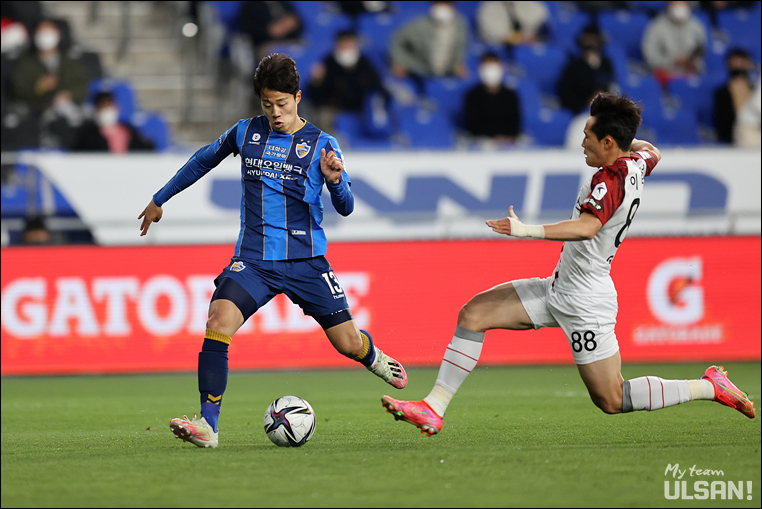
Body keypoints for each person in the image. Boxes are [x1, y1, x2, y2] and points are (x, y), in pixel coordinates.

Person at [381, 92, 756, 436]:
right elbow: (651, 149)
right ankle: (433, 407)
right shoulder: (636, 162)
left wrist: (525, 230)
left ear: (607, 143)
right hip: (559, 287)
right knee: (473, 314)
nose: (582, 143)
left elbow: (587, 227)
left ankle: (709, 387)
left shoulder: (611, 179)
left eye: (588, 136)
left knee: (612, 398)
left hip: (585, 300)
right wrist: (625, 137)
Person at [138, 53, 408, 449]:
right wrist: (160, 198)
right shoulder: (245, 132)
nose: (275, 113)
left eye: (282, 104)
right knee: (218, 319)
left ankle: (374, 357)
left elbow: (346, 207)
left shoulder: (322, 144)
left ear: (297, 97)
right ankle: (208, 426)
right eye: (267, 104)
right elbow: (201, 161)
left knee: (348, 344)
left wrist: (335, 181)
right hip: (255, 261)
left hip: (306, 262)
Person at [9, 18, 89, 148]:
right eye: (41, 31)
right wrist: (39, 88)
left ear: (58, 34)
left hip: (66, 118)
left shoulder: (71, 64)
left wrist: (69, 95)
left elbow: (82, 87)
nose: (45, 36)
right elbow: (18, 90)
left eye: (49, 31)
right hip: (35, 118)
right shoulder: (26, 64)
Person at [307, 30, 385, 132]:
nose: (347, 46)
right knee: (323, 116)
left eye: (350, 42)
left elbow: (377, 85)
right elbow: (315, 96)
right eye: (344, 43)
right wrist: (316, 82)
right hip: (334, 108)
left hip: (360, 108)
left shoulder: (364, 62)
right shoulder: (328, 62)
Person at [389, 1, 469, 87]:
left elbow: (461, 47)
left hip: (446, 72)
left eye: (445, 4)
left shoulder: (460, 25)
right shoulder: (420, 24)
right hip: (420, 72)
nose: (442, 8)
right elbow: (399, 41)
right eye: (439, 5)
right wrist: (400, 61)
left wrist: (457, 62)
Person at [642, 1, 707, 85]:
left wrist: (692, 62)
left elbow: (701, 53)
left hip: (690, 74)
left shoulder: (696, 26)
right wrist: (672, 61)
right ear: (669, 5)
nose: (679, 7)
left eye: (682, 4)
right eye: (676, 4)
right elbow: (650, 56)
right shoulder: (656, 26)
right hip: (665, 75)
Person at [463, 52, 520, 141]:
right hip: (481, 142)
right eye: (487, 67)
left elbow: (515, 123)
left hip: (507, 143)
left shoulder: (510, 95)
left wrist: (505, 138)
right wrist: (491, 139)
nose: (491, 71)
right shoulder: (473, 95)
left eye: (494, 66)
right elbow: (472, 124)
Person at [558, 25, 614, 115]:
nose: (591, 42)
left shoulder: (606, 64)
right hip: (579, 113)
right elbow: (566, 94)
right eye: (588, 39)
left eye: (594, 39)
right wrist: (586, 103)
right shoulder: (573, 66)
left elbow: (610, 86)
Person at [72, 91, 154, 153]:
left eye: (109, 105)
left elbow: (146, 149)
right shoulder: (87, 135)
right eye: (103, 106)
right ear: (96, 109)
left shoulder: (129, 131)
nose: (107, 110)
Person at [712, 48, 756, 144]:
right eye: (735, 63)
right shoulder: (722, 93)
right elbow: (723, 124)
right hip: (733, 138)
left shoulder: (756, 91)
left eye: (742, 62)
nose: (738, 66)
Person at [476, 1, 549, 47]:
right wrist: (518, 38)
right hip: (499, 47)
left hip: (529, 46)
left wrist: (529, 36)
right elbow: (493, 33)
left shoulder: (533, 5)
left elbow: (541, 23)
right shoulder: (488, 7)